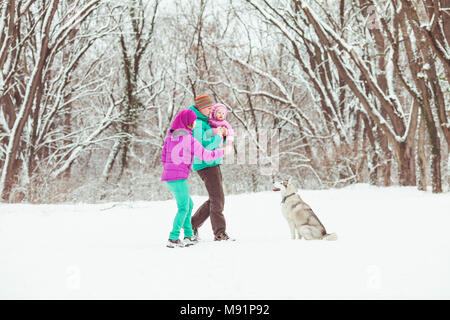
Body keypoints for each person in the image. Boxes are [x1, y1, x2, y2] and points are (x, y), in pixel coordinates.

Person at [161, 109, 224, 248]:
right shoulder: (188, 139)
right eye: (193, 121)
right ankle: (173, 238)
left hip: (168, 178)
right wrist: (221, 150)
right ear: (188, 123)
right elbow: (205, 155)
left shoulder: (170, 137)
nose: (195, 123)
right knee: (183, 208)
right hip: (178, 178)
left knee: (188, 205)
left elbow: (163, 158)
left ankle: (189, 235)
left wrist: (172, 170)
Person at [189, 94, 234, 241]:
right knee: (218, 199)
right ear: (200, 108)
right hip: (206, 164)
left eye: (211, 107)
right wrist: (219, 137)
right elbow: (204, 146)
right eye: (207, 108)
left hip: (212, 163)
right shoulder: (198, 123)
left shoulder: (205, 121)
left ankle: (192, 225)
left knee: (215, 199)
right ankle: (219, 233)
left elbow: (213, 136)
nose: (211, 110)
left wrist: (224, 134)